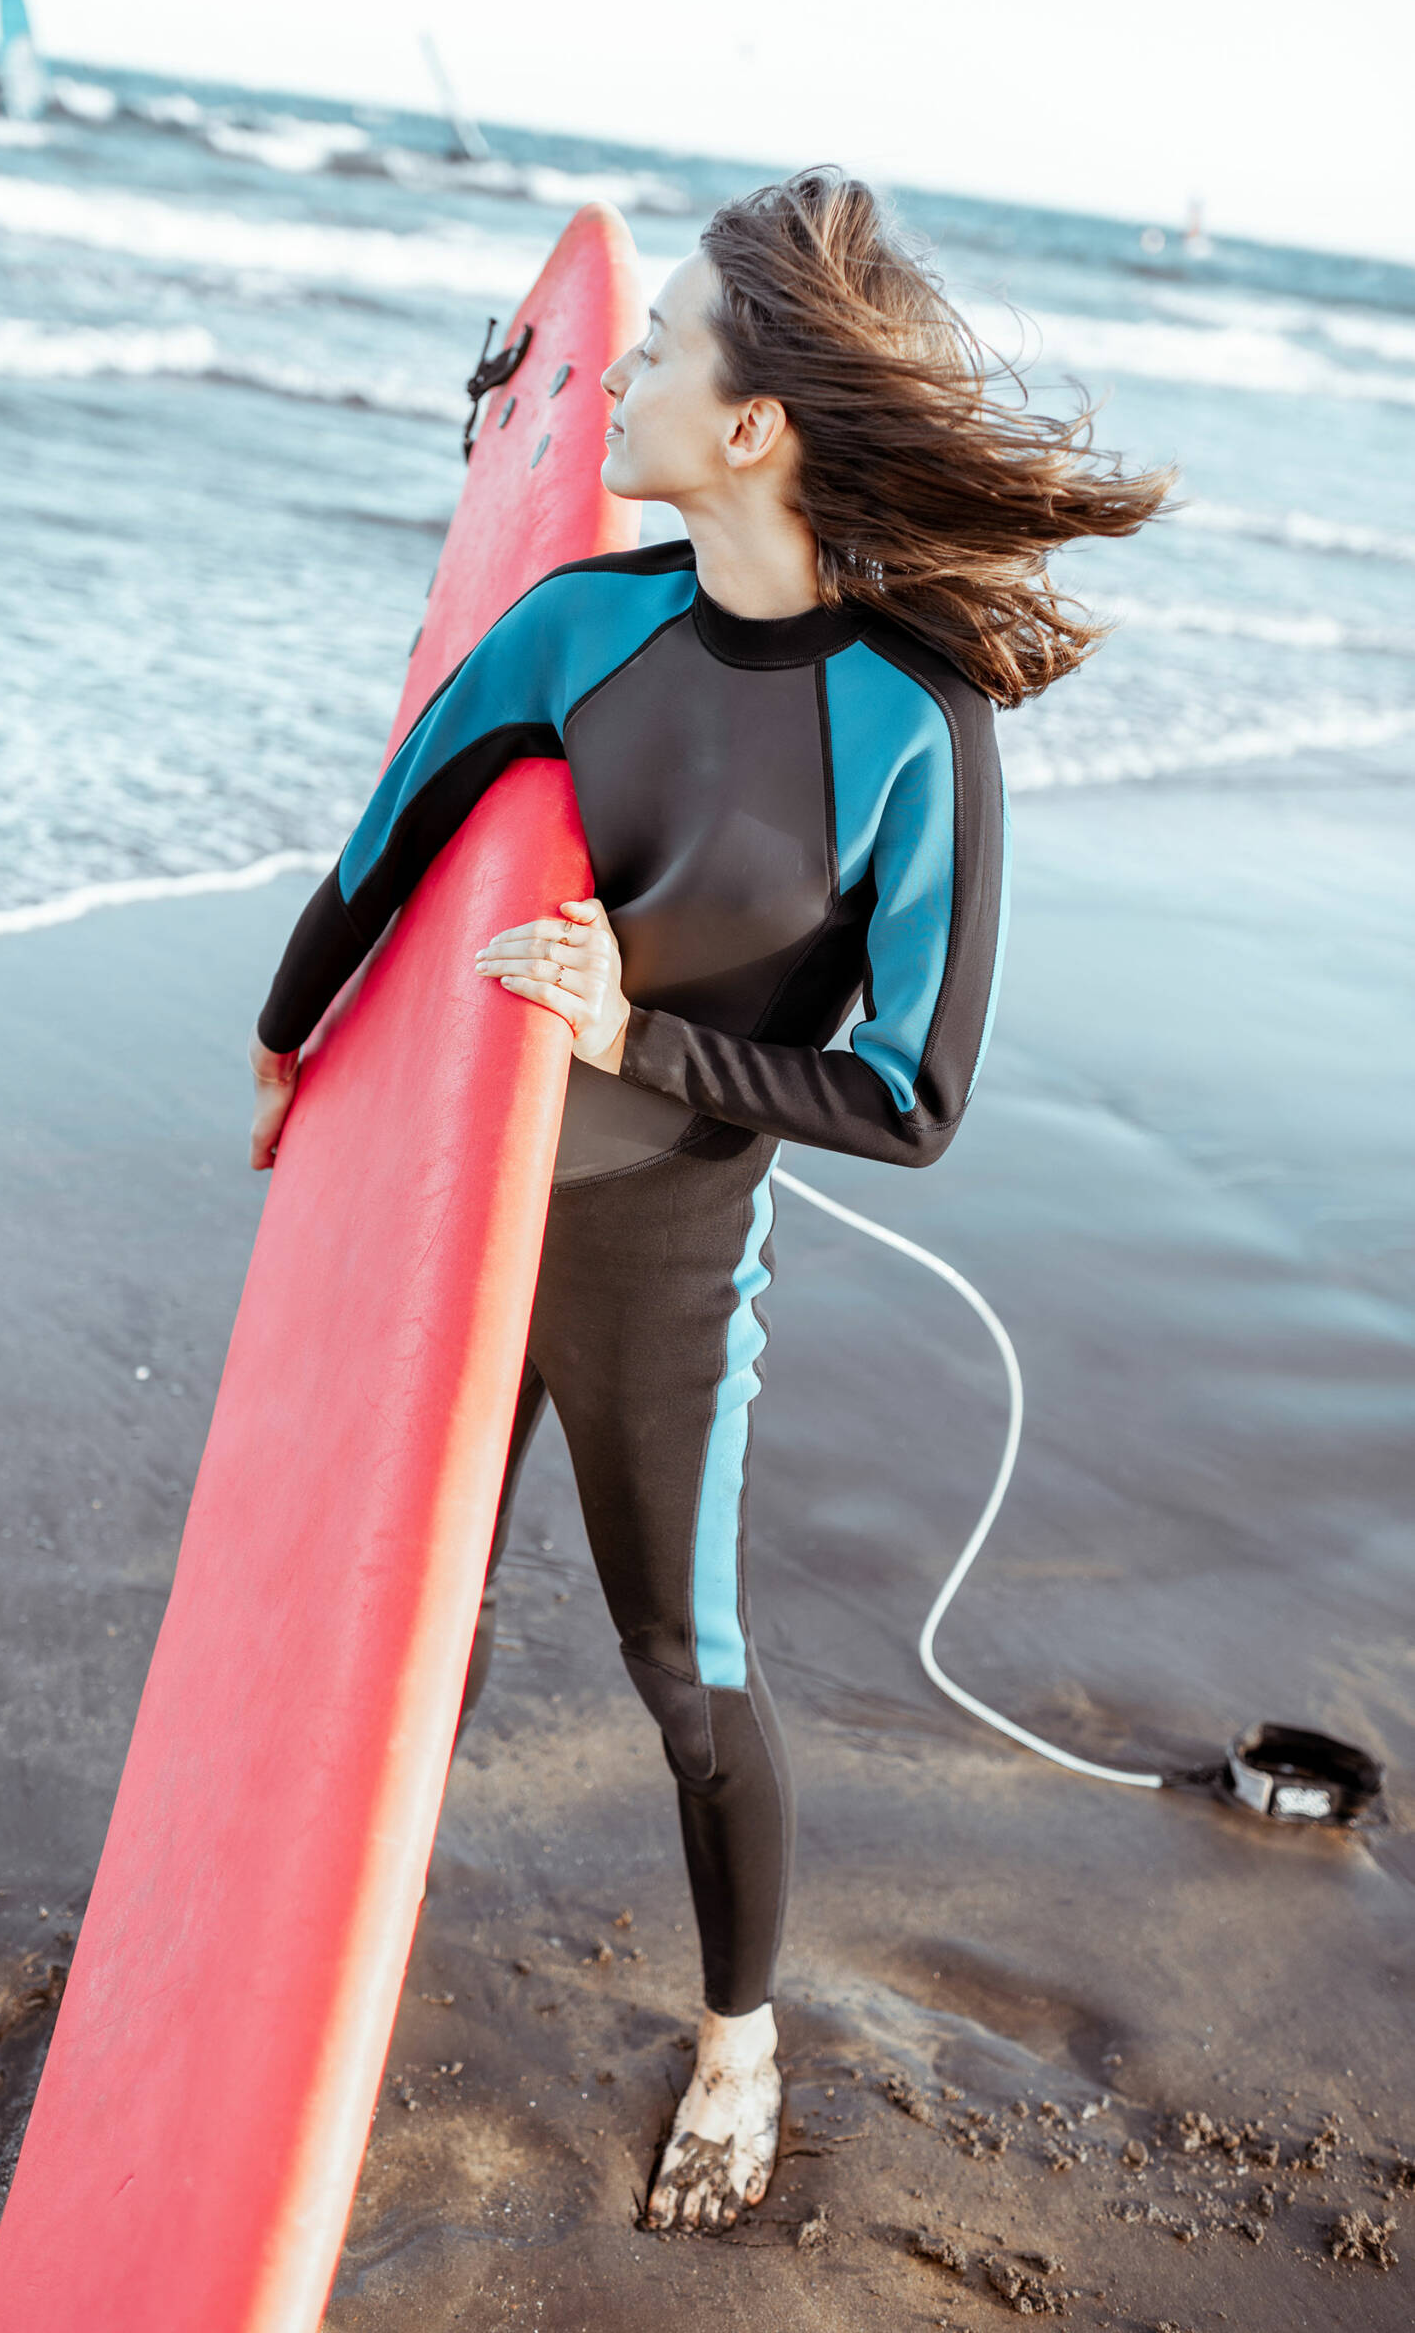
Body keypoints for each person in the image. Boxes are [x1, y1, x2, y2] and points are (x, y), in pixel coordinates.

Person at [245, 169, 1171, 2234]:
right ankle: (293, 1990)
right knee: (395, 1629)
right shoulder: (581, 624)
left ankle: (738, 2032)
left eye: (660, 349)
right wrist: (287, 1038)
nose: (622, 376)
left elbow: (910, 1092)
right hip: (441, 1219)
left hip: (661, 1254)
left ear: (746, 425)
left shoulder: (907, 725)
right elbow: (386, 837)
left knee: (687, 1665)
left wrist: (633, 1041)